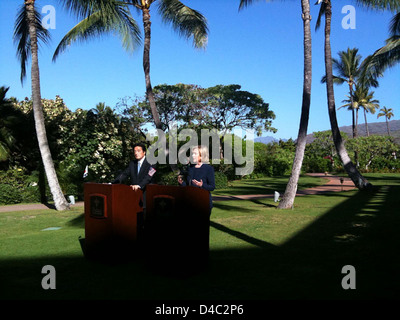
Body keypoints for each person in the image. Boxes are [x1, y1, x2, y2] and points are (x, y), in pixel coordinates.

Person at [178, 145, 215, 214]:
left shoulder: (208, 169)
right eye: (192, 153)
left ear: (201, 155)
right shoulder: (190, 168)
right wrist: (182, 183)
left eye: (195, 153)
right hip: (191, 203)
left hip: (204, 204)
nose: (192, 155)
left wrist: (201, 185)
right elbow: (188, 185)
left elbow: (212, 187)